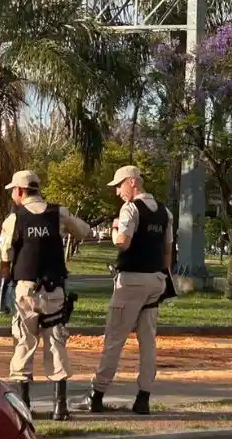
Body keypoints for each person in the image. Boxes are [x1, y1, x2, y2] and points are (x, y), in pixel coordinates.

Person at [0, 170, 93, 421]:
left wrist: (8, 279)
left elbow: (5, 257)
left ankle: (24, 406)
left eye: (13, 192)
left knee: (24, 342)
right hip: (54, 292)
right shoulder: (58, 213)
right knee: (56, 343)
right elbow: (85, 232)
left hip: (26, 291)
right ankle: (60, 407)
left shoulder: (14, 219)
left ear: (19, 191)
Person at [79, 165, 172, 416]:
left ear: (132, 182)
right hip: (156, 280)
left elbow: (123, 242)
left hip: (131, 281)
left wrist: (114, 229)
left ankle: (96, 394)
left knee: (114, 339)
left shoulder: (130, 209)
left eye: (119, 186)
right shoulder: (165, 212)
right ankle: (143, 398)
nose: (118, 192)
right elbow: (167, 250)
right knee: (148, 343)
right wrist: (163, 278)